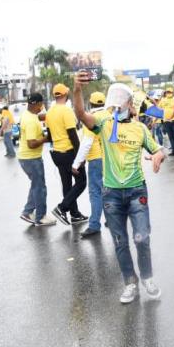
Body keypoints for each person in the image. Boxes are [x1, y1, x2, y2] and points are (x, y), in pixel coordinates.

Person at [73, 74, 166, 303]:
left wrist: (157, 157)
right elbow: (81, 115)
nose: (117, 105)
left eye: (121, 101)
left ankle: (147, 277)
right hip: (111, 194)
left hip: (136, 192)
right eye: (113, 101)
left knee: (142, 238)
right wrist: (76, 90)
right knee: (120, 241)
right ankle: (130, 283)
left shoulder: (140, 129)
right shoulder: (103, 125)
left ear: (130, 105)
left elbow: (158, 149)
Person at [47, 83, 88, 226]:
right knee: (81, 182)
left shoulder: (49, 112)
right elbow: (72, 135)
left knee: (67, 185)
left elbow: (50, 136)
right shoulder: (66, 111)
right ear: (65, 94)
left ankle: (75, 214)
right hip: (69, 153)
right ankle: (61, 208)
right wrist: (80, 158)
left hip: (57, 154)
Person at [17, 93, 56, 227]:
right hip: (31, 158)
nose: (42, 106)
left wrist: (52, 115)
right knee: (40, 188)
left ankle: (27, 212)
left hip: (26, 157)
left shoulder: (28, 114)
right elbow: (31, 143)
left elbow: (40, 117)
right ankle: (40, 217)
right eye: (41, 104)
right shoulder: (31, 121)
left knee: (35, 186)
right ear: (36, 104)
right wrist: (46, 138)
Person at [73, 91, 106, 238]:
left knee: (95, 193)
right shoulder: (110, 116)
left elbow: (86, 143)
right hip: (110, 159)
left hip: (96, 159)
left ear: (91, 103)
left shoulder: (91, 118)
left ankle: (94, 225)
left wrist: (76, 163)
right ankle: (112, 219)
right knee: (109, 190)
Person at [160, 88, 174, 155]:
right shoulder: (163, 100)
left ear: (173, 93)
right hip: (166, 121)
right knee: (170, 137)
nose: (168, 93)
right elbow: (160, 109)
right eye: (167, 92)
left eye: (170, 92)